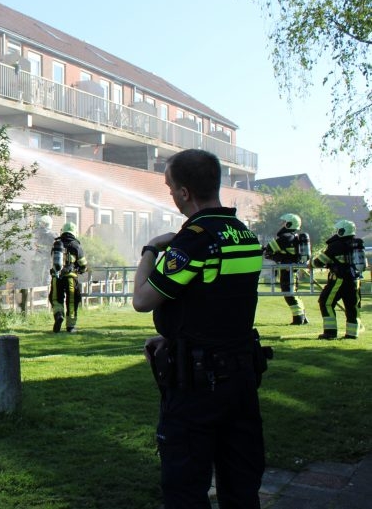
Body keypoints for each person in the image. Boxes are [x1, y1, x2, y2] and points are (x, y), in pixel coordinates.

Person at [132, 149, 266, 508]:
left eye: (170, 188)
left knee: (185, 486)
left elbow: (142, 299)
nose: (171, 195)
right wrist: (177, 334)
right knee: (241, 484)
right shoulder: (243, 235)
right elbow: (219, 299)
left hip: (198, 386)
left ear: (185, 192)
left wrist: (150, 250)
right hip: (241, 378)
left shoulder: (193, 240)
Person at [311, 219, 364, 340]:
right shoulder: (357, 244)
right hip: (355, 280)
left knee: (326, 302)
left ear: (342, 231)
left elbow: (319, 262)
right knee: (352, 306)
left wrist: (311, 263)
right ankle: (352, 334)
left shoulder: (336, 245)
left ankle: (330, 333)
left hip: (339, 280)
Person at [263, 213, 309, 325]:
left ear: (289, 224)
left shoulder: (285, 238)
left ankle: (298, 318)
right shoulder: (294, 237)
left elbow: (269, 249)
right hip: (292, 269)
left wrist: (276, 256)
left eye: (284, 222)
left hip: (287, 270)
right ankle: (302, 317)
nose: (282, 224)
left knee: (289, 293)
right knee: (293, 292)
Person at [49, 222, 88, 333]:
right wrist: (82, 270)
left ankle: (58, 315)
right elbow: (83, 264)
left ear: (63, 231)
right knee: (72, 301)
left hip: (56, 277)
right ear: (74, 232)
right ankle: (70, 326)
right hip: (71, 277)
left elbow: (52, 259)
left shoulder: (57, 244)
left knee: (56, 299)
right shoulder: (76, 245)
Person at [33, 215, 55, 286]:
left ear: (47, 224)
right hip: (38, 259)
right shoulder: (38, 233)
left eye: (42, 223)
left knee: (46, 275)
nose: (40, 225)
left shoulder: (52, 235)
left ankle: (45, 290)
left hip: (47, 259)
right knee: (38, 277)